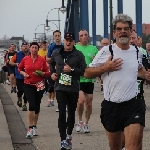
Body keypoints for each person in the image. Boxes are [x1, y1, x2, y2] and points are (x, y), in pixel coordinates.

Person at [84, 14, 150, 150]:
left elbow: (140, 70)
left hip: (133, 104)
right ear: (114, 33)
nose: (123, 31)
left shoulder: (137, 51)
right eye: (119, 29)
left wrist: (147, 75)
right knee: (116, 147)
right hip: (111, 106)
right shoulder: (106, 51)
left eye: (126, 28)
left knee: (132, 146)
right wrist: (106, 68)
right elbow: (87, 73)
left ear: (131, 31)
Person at [50, 32, 86, 150]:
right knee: (61, 112)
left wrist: (72, 69)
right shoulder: (57, 53)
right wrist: (52, 74)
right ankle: (63, 140)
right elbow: (51, 63)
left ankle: (69, 134)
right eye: (66, 40)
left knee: (71, 112)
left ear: (74, 42)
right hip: (60, 87)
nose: (68, 42)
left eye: (70, 40)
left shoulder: (78, 54)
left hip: (73, 88)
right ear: (63, 41)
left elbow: (83, 70)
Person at [18, 42, 50, 138]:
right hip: (28, 84)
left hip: (39, 84)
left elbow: (48, 72)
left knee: (37, 105)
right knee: (31, 104)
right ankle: (30, 127)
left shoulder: (41, 60)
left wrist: (41, 73)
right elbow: (19, 68)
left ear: (38, 49)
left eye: (36, 48)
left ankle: (35, 126)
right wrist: (24, 74)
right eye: (32, 47)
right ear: (30, 48)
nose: (34, 49)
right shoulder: (25, 59)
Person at [75, 30, 98, 133]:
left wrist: (95, 60)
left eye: (85, 35)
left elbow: (99, 62)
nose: (84, 37)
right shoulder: (75, 48)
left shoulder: (93, 48)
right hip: (78, 78)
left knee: (89, 103)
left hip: (89, 78)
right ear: (79, 37)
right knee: (80, 101)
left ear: (88, 37)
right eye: (81, 35)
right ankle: (79, 121)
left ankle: (86, 123)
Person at [46, 30, 63, 110]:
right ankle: (60, 105)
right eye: (55, 36)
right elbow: (47, 59)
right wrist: (54, 59)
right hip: (54, 69)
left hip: (63, 69)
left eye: (58, 35)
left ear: (60, 36)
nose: (57, 37)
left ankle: (64, 105)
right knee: (56, 88)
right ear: (53, 37)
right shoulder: (51, 47)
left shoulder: (64, 46)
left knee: (64, 87)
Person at [9, 42, 29, 111]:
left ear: (28, 47)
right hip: (19, 76)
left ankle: (25, 105)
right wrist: (15, 64)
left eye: (26, 46)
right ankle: (19, 97)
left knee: (27, 91)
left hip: (28, 76)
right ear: (21, 47)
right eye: (24, 46)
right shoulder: (17, 54)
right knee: (21, 90)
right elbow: (10, 62)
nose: (25, 47)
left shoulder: (31, 54)